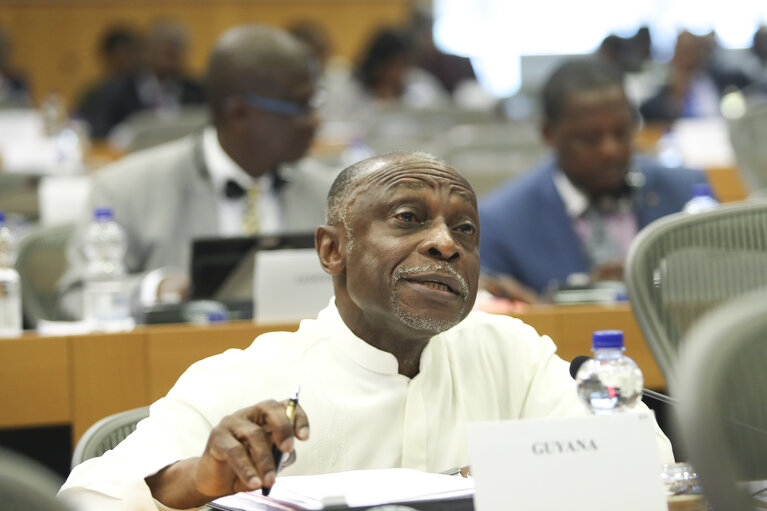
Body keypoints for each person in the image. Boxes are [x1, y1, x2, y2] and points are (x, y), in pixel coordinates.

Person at [58, 151, 674, 510]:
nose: (445, 244)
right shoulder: (245, 376)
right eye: (408, 219)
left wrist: (476, 482)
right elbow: (84, 497)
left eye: (465, 231)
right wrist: (198, 479)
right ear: (332, 250)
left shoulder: (513, 353)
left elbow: (644, 464)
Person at [57, 24, 335, 318]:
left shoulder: (330, 191)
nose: (315, 121)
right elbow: (76, 297)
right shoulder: (126, 188)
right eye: (302, 107)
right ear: (239, 113)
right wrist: (156, 289)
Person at [479, 57, 707, 302]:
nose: (610, 150)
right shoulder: (502, 222)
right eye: (589, 138)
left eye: (621, 133)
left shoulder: (687, 194)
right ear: (549, 133)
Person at [80, 18, 205, 140]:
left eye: (175, 50)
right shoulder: (112, 92)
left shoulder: (197, 91)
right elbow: (98, 134)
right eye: (165, 49)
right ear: (146, 50)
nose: (170, 58)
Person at [639, 31, 750, 122]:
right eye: (683, 51)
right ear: (675, 54)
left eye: (692, 50)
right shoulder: (666, 86)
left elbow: (747, 80)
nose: (688, 57)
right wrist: (676, 95)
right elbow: (647, 110)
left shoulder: (716, 77)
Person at [73, 24, 143, 126]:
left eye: (128, 56)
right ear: (108, 58)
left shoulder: (142, 90)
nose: (125, 63)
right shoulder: (94, 93)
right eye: (119, 59)